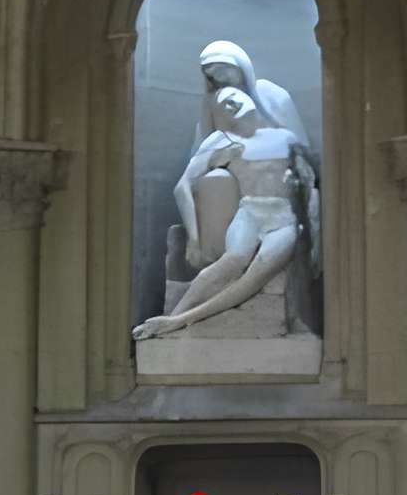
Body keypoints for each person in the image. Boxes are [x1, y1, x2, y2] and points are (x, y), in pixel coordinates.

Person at [134, 87, 316, 339]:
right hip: (250, 212)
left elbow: (308, 183)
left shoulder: (284, 137)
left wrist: (311, 228)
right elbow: (183, 186)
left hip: (284, 218)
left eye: (234, 97)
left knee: (256, 273)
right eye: (223, 104)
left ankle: (176, 322)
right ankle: (172, 317)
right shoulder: (222, 140)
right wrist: (195, 239)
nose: (231, 105)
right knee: (233, 260)